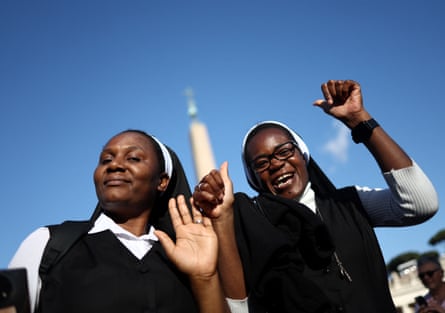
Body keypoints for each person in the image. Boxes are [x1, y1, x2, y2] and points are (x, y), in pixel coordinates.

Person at [193, 80, 439, 313]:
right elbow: (239, 306)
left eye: (285, 151)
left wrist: (360, 120)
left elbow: (420, 204)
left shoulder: (349, 203)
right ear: (254, 179)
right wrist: (222, 219)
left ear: (303, 156)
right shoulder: (250, 228)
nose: (276, 164)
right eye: (261, 162)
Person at [8, 129, 234, 313]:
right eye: (106, 159)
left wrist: (205, 277)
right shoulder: (50, 244)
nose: (114, 165)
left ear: (162, 182)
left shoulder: (184, 260)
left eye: (133, 158)